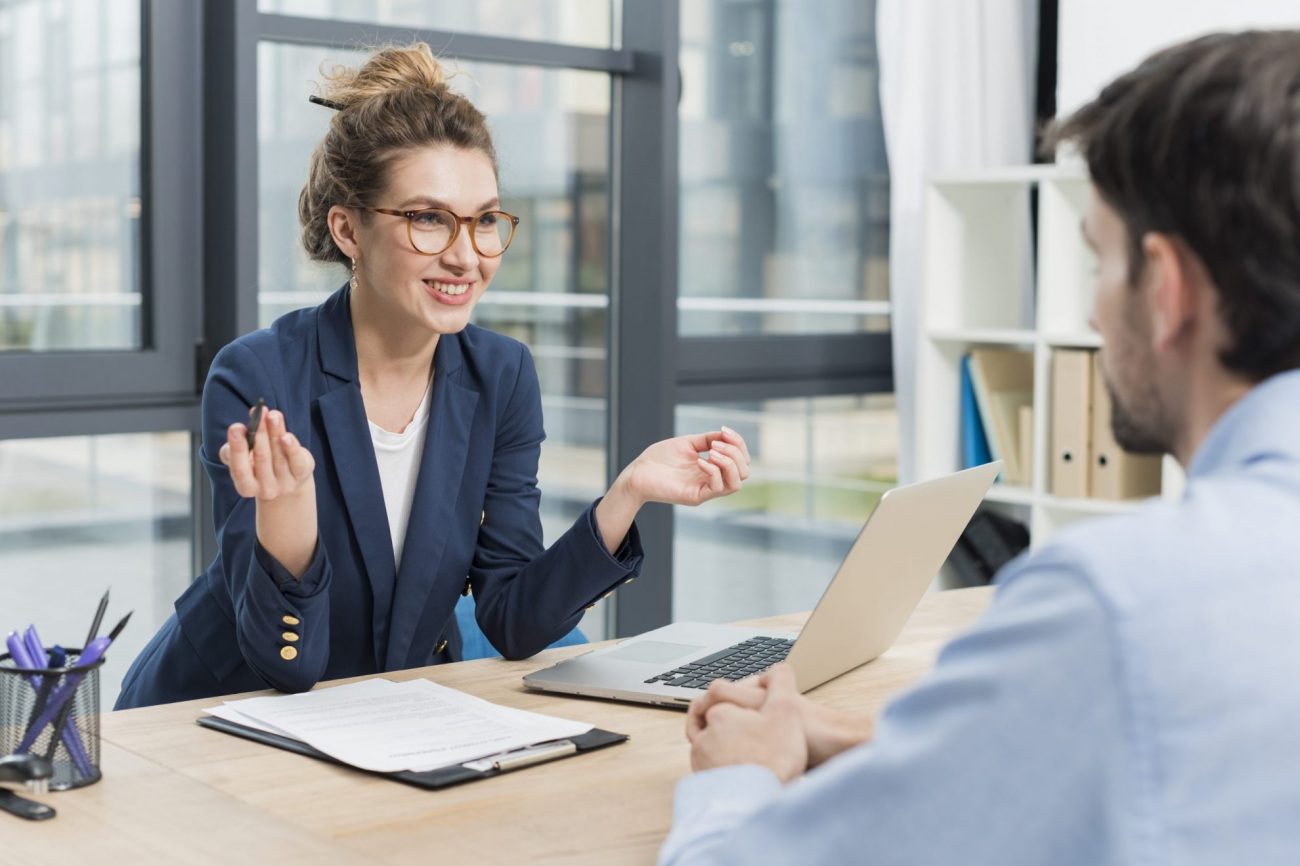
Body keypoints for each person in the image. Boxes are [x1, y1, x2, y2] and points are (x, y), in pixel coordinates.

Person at [660, 30, 1300, 865]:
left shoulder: (1119, 605)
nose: (1093, 316)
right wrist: (869, 745)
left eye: (1098, 265)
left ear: (1167, 289)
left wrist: (738, 777)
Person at [116, 44, 751, 709]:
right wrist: (287, 515)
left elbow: (512, 618)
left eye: (483, 222)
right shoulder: (257, 376)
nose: (465, 256)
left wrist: (626, 496)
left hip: (392, 720)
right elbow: (290, 666)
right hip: (212, 714)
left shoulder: (500, 375)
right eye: (427, 219)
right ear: (348, 230)